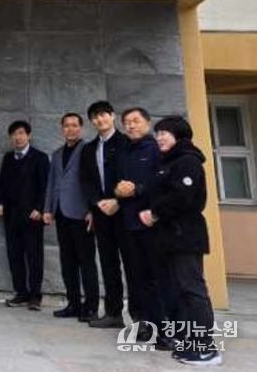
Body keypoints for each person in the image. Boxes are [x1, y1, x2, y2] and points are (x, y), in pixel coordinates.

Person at [141, 116, 222, 366]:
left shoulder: (188, 161)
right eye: (158, 133)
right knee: (179, 291)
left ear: (179, 135)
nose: (160, 138)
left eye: (165, 133)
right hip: (168, 237)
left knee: (192, 290)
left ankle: (206, 348)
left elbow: (182, 196)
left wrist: (154, 213)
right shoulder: (168, 162)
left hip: (185, 235)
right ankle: (190, 342)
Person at [114, 107, 175, 349]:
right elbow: (120, 184)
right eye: (127, 122)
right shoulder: (124, 151)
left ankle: (167, 330)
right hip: (130, 224)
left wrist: (137, 190)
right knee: (140, 280)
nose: (131, 125)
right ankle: (149, 326)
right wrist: (118, 192)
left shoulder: (156, 150)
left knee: (158, 279)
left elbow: (163, 183)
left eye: (136, 121)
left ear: (147, 123)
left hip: (152, 224)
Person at [79, 100, 140, 328]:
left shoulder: (127, 142)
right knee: (108, 263)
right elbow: (86, 181)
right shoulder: (89, 149)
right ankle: (113, 313)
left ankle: (139, 316)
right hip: (102, 214)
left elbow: (134, 176)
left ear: (113, 116)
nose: (100, 119)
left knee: (133, 264)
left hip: (126, 212)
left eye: (104, 114)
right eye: (95, 116)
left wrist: (118, 201)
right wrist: (96, 203)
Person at [43, 113, 99, 322]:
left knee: (86, 262)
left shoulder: (89, 150)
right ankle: (73, 304)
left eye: (74, 125)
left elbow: (95, 181)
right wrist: (48, 209)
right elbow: (52, 183)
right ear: (62, 129)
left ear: (81, 128)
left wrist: (93, 210)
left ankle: (91, 307)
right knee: (67, 262)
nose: (70, 129)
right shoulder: (57, 154)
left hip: (82, 214)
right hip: (61, 214)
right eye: (67, 126)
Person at [0, 120, 49, 311]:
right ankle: (21, 293)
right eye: (14, 134)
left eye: (21, 133)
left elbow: (45, 186)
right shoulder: (8, 158)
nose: (18, 137)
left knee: (34, 256)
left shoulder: (40, 158)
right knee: (14, 255)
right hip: (11, 215)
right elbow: (2, 183)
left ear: (28, 135)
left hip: (33, 216)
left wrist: (40, 208)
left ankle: (35, 296)